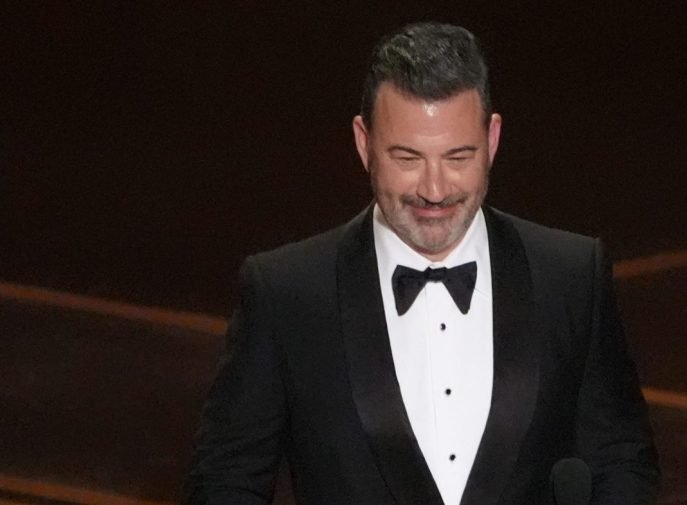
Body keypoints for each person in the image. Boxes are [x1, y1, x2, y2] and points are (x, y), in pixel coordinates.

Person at [186, 22, 659, 505]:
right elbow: (225, 480)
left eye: (458, 157)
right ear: (364, 143)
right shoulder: (286, 293)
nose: (435, 190)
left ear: (493, 139)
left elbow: (621, 462)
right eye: (408, 159)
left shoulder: (571, 275)